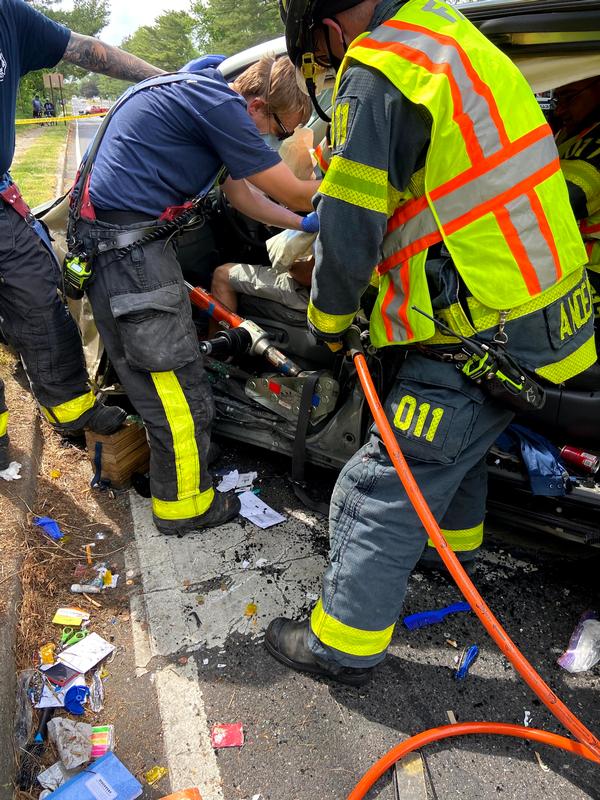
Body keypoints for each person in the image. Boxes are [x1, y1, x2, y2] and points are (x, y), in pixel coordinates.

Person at [265, 0, 597, 686]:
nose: (327, 69)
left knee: (386, 480)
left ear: (324, 24)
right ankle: (450, 552)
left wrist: (329, 323)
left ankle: (343, 640)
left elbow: (351, 230)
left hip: (486, 320)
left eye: (321, 56)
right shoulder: (444, 38)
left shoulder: (381, 69)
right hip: (541, 302)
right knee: (465, 440)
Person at [70, 55, 320, 537]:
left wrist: (303, 224)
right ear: (258, 105)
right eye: (281, 129)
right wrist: (346, 195)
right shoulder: (218, 104)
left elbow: (245, 196)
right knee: (176, 387)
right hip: (130, 256)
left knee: (168, 379)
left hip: (127, 249)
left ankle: (188, 476)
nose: (279, 140)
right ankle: (185, 504)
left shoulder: (206, 98)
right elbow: (290, 189)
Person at [0, 0, 164, 470]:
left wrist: (165, 79)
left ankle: (70, 409)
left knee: (39, 293)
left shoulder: (8, 15)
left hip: (0, 201)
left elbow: (86, 51)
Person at [553, 77, 600, 330]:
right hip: (575, 269)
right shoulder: (573, 130)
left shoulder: (595, 143)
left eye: (569, 97)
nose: (560, 109)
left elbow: (562, 199)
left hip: (592, 274)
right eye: (559, 98)